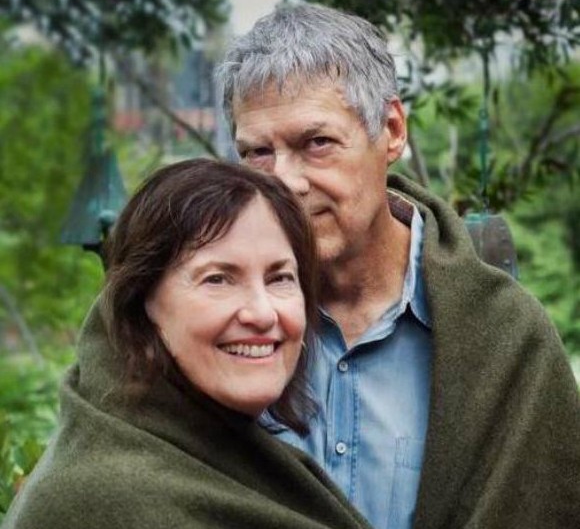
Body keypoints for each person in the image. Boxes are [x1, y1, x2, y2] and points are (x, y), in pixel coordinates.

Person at [216, 3, 580, 529]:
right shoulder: (207, 320)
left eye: (316, 143)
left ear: (391, 130)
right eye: (258, 153)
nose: (285, 183)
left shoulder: (506, 337)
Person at [3, 159, 373, 529]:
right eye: (218, 279)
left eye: (279, 278)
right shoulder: (98, 500)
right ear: (142, 301)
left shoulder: (241, 457)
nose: (262, 313)